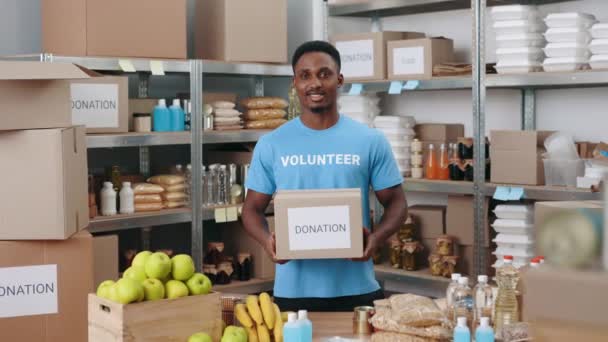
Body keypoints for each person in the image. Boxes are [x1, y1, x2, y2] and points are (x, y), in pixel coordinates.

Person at [241, 40, 408, 312]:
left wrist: (376, 239)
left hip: (358, 290)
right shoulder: (272, 144)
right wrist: (267, 241)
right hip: (292, 293)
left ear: (339, 79)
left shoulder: (370, 140)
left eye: (324, 74)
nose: (315, 83)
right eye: (305, 75)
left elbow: (397, 203)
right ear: (294, 83)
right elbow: (251, 210)